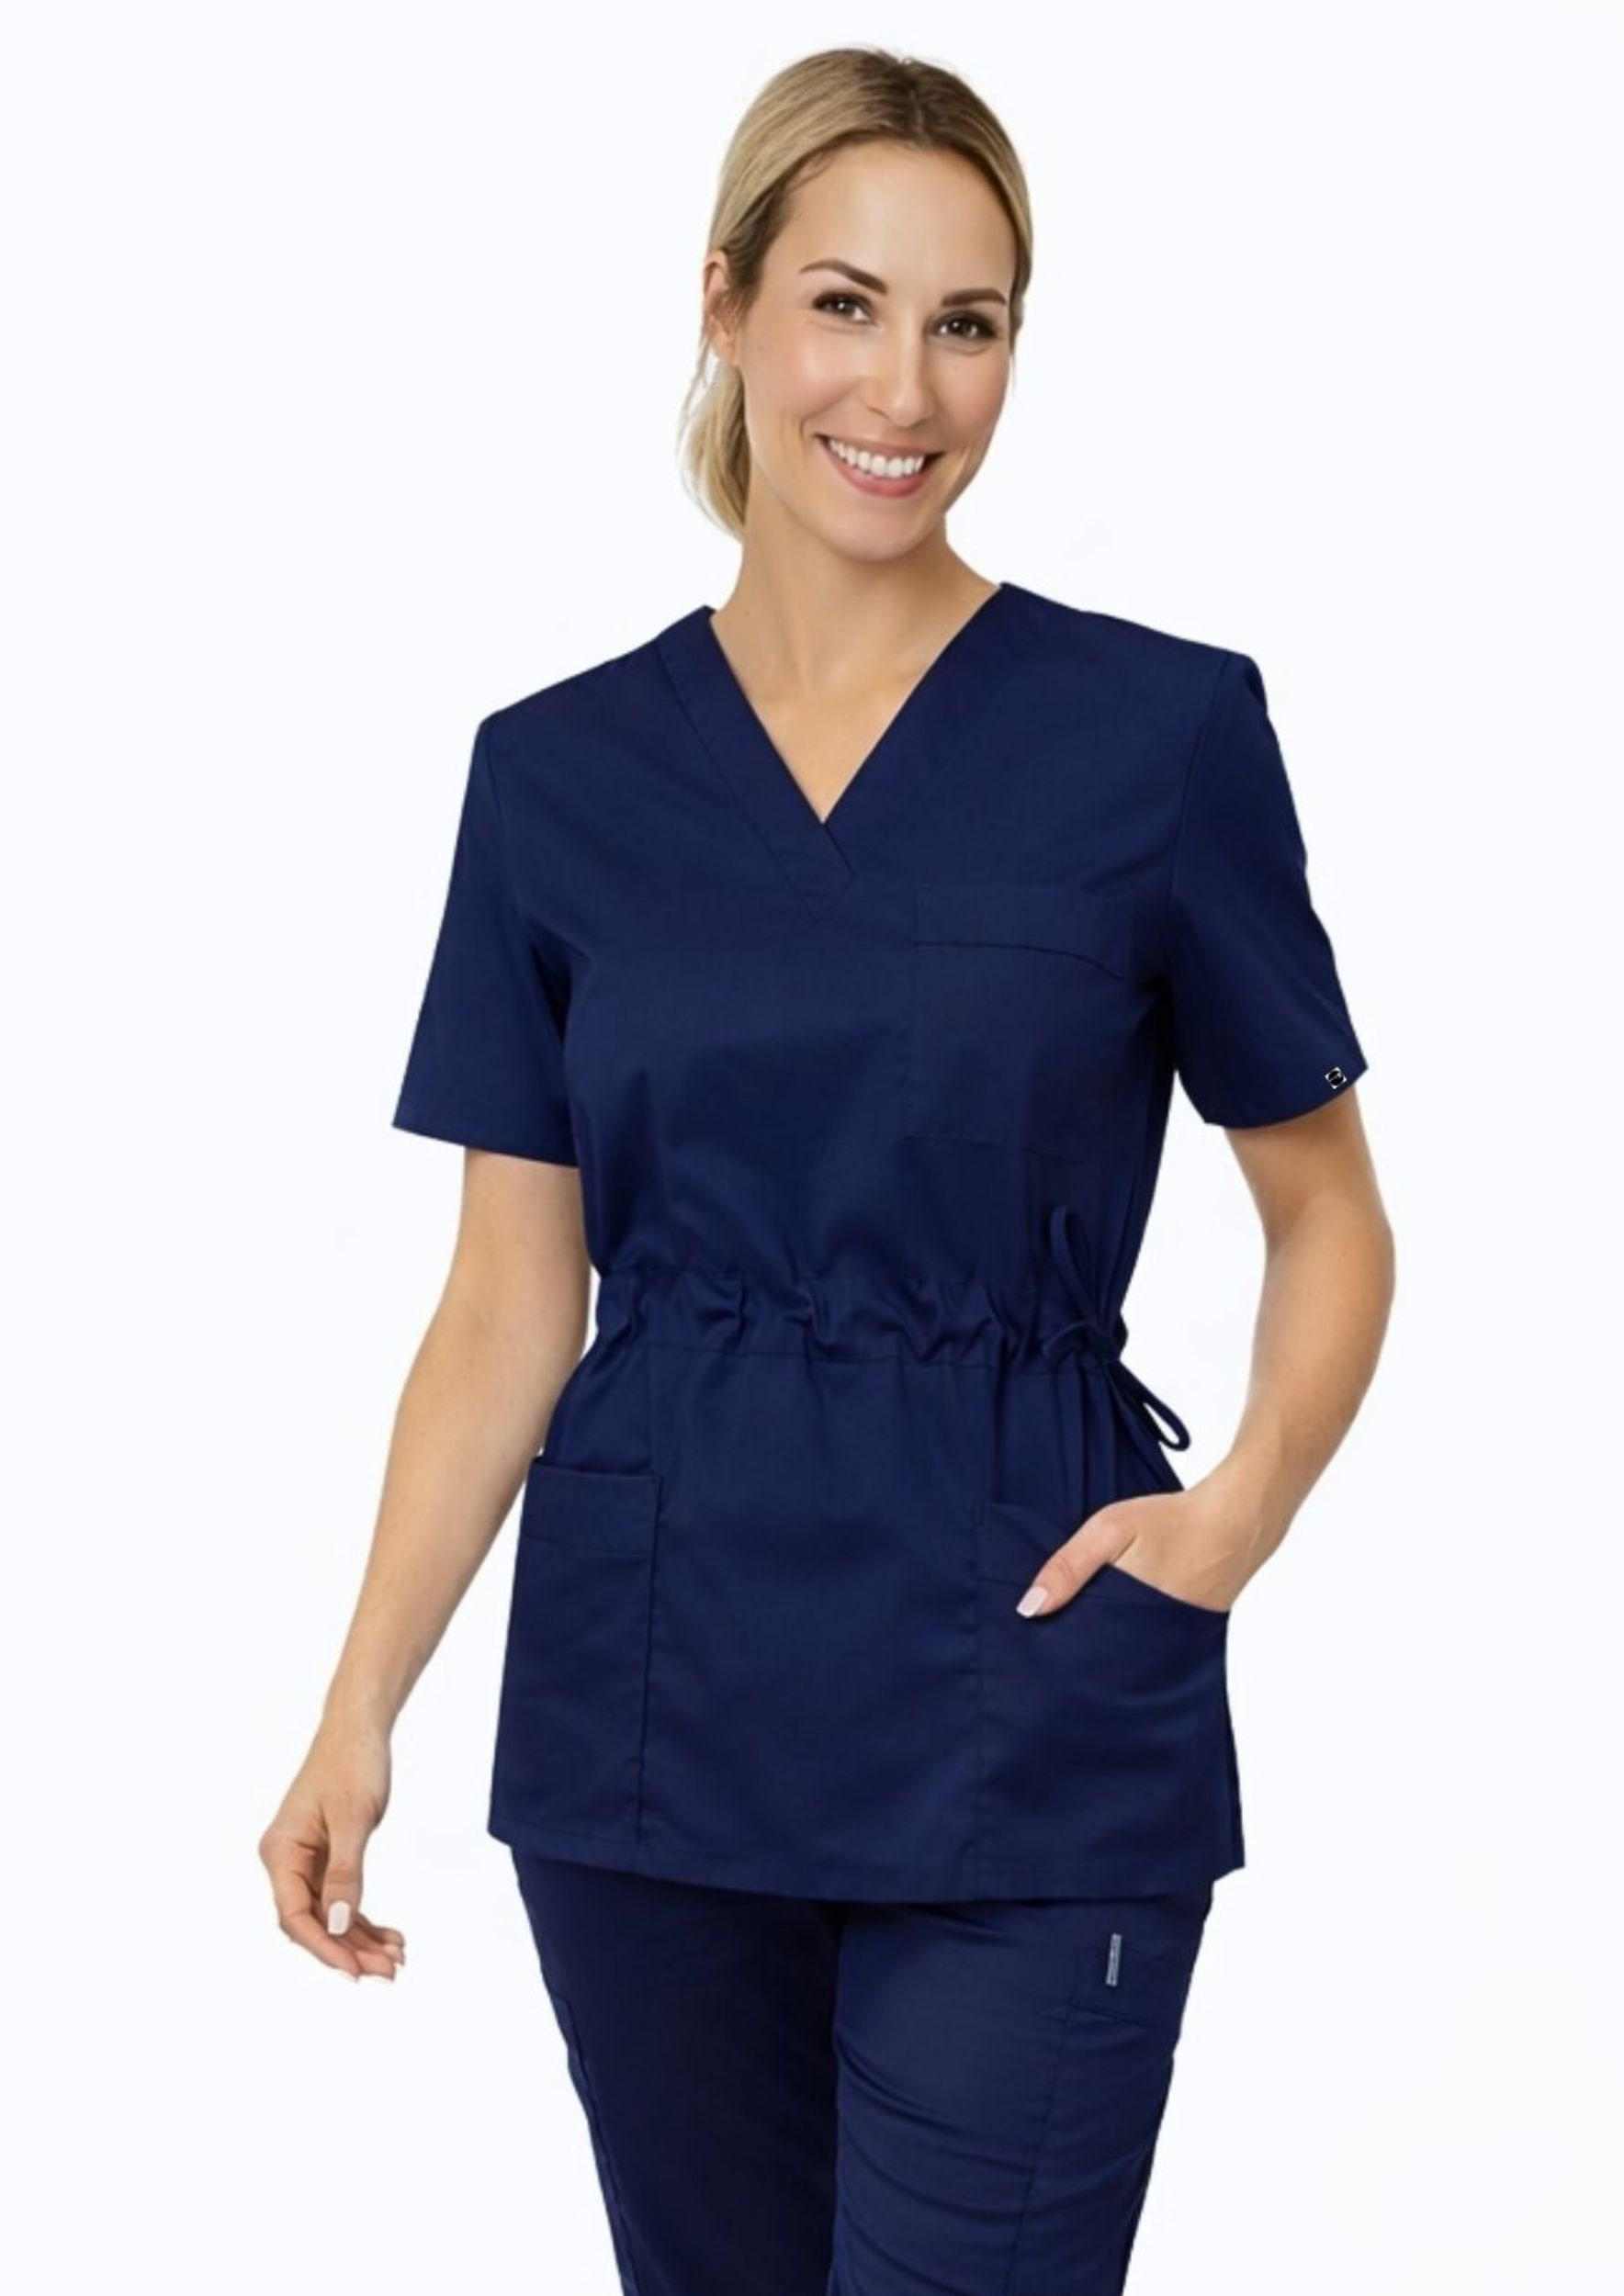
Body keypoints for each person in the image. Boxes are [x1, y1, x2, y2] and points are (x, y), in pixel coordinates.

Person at [259, 44, 1394, 2296]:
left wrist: (1233, 1514)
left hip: (1032, 1685)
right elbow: (507, 1299)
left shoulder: (1156, 734)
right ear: (725, 305)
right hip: (649, 1704)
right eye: (843, 306)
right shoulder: (556, 775)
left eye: (966, 324)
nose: (902, 388)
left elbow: (1325, 1202)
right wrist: (355, 1699)